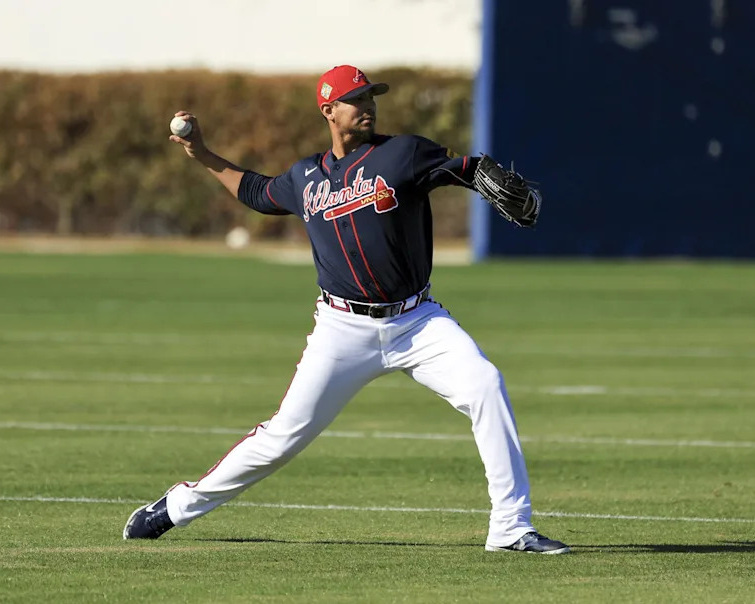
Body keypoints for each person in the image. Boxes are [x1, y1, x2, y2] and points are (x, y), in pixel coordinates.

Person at [123, 65, 568, 554]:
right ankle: (175, 507)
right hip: (341, 329)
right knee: (281, 439)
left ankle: (509, 527)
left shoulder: (403, 153)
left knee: (484, 384)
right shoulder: (305, 178)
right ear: (328, 111)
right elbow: (256, 191)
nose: (368, 106)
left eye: (371, 96)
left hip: (418, 322)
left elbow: (462, 168)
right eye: (356, 99)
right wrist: (202, 154)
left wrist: (483, 173)